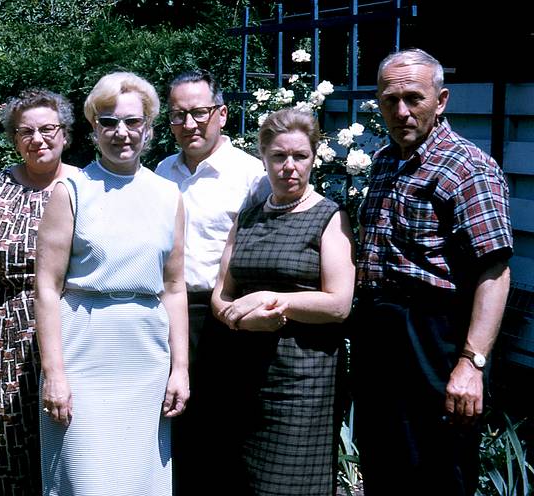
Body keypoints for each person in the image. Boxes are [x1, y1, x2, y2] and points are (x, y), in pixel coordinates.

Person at [352, 48, 513, 495]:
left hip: (436, 335)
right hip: (381, 333)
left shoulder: (468, 168)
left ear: (440, 100)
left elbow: (495, 273)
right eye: (390, 99)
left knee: (440, 468)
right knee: (384, 461)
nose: (401, 111)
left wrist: (471, 363)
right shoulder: (385, 160)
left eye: (413, 98)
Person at [36, 71, 189, 495]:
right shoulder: (71, 191)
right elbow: (47, 288)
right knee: (85, 478)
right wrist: (54, 373)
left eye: (132, 121)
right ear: (93, 129)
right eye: (108, 122)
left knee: (139, 479)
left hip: (146, 355)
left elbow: (174, 288)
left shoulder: (167, 196)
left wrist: (180, 369)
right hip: (83, 349)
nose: (121, 133)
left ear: (149, 127)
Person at [210, 108, 355, 494]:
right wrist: (238, 320)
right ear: (264, 157)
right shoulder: (250, 217)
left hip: (302, 379)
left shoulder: (329, 217)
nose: (289, 166)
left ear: (314, 158)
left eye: (300, 156)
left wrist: (273, 300)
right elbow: (221, 294)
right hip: (243, 375)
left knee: (288, 485)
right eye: (279, 156)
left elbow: (339, 304)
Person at [154, 69, 265, 495]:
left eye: (199, 112)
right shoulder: (162, 172)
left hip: (224, 315)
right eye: (179, 115)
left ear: (221, 113)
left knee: (225, 433)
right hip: (168, 314)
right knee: (177, 429)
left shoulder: (251, 176)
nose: (189, 124)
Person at [0, 88, 78, 495]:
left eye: (48, 129)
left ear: (66, 134)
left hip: (71, 327)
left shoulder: (84, 186)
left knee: (69, 436)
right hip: (6, 330)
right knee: (6, 440)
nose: (38, 139)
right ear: (14, 139)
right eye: (26, 132)